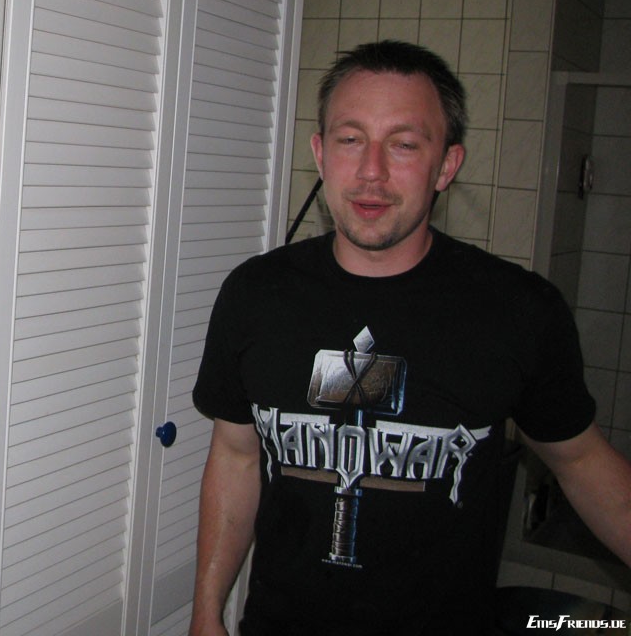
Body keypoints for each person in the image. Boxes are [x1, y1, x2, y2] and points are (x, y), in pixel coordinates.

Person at [189, 40, 631, 635]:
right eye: (350, 139)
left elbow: (581, 462)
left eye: (403, 144)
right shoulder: (255, 295)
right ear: (320, 154)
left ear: (446, 165)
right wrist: (206, 612)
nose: (371, 171)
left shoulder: (517, 310)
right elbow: (237, 455)